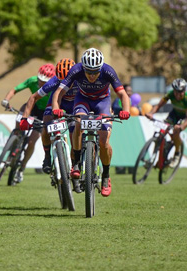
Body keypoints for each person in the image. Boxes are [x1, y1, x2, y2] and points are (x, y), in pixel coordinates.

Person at [51, 48, 131, 197]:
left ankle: (106, 176)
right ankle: (76, 162)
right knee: (79, 122)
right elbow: (58, 92)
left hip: (103, 102)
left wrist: (125, 110)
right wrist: (56, 108)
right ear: (83, 68)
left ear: (100, 68)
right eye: (88, 72)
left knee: (103, 141)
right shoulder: (76, 70)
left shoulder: (108, 71)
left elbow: (122, 94)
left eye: (95, 72)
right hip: (83, 100)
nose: (92, 76)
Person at [19, 58, 76, 177]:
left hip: (74, 106)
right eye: (61, 80)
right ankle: (47, 156)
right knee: (46, 125)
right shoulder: (54, 81)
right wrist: (24, 118)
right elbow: (33, 97)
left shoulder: (81, 80)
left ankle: (75, 163)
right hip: (55, 104)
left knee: (75, 135)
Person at [1, 63, 56, 183]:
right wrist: (6, 100)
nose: (41, 83)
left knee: (32, 142)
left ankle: (22, 168)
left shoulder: (54, 86)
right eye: (40, 80)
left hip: (44, 113)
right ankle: (16, 138)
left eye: (45, 81)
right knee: (19, 121)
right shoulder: (32, 81)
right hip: (31, 107)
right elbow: (14, 89)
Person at [145, 78, 187, 170]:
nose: (177, 94)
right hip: (175, 114)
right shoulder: (170, 94)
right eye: (176, 91)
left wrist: (181, 127)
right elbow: (159, 105)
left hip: (185, 116)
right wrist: (151, 113)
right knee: (162, 128)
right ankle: (157, 155)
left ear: (184, 90)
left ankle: (177, 154)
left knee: (176, 130)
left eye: (180, 92)